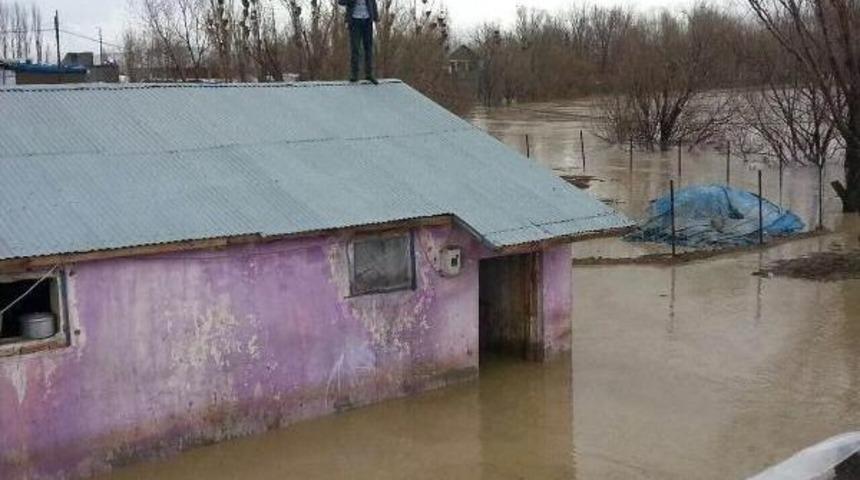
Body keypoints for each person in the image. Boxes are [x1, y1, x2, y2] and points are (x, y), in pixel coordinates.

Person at [339, 0, 379, 84]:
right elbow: (341, 2)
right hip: (354, 20)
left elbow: (373, 3)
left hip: (368, 20)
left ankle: (369, 74)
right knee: (355, 48)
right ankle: (354, 74)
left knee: (368, 48)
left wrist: (376, 17)